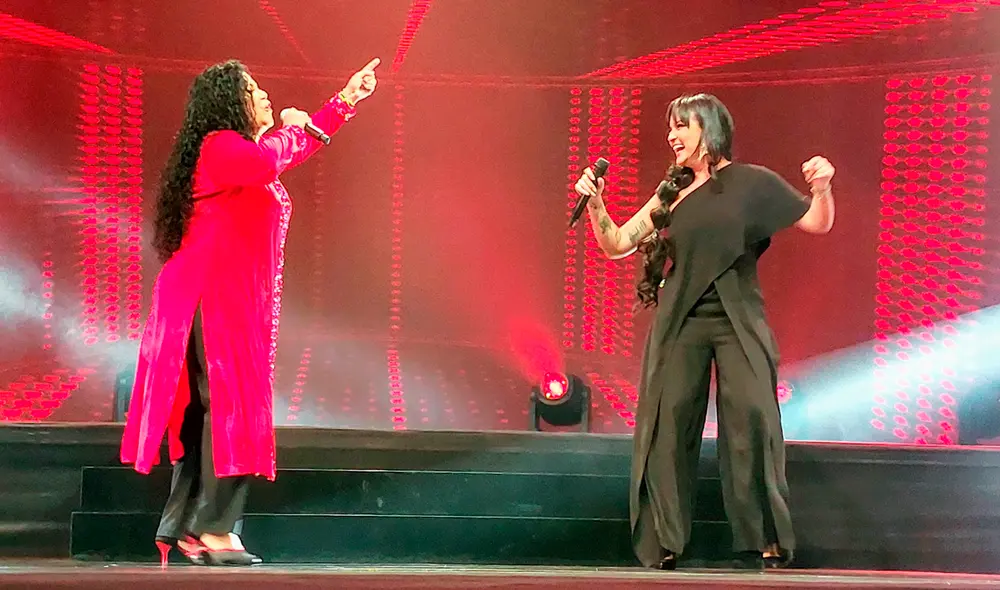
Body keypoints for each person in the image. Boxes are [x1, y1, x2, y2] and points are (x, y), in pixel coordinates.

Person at [120, 57, 380, 566]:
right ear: (228, 105)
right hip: (212, 299)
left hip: (221, 297)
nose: (264, 94)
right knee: (231, 409)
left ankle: (191, 529)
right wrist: (290, 128)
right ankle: (214, 530)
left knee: (208, 414)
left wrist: (343, 102)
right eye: (253, 89)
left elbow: (284, 155)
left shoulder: (234, 154)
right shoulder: (221, 147)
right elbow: (268, 161)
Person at [574, 93, 835, 570]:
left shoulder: (752, 183)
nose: (671, 136)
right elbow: (616, 245)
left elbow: (817, 222)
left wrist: (821, 187)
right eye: (669, 127)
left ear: (710, 129)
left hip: (738, 315)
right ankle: (664, 541)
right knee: (668, 422)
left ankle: (766, 537)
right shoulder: (669, 193)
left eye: (681, 125)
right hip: (681, 318)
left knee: (752, 417)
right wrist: (596, 205)